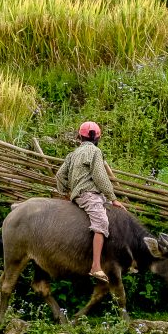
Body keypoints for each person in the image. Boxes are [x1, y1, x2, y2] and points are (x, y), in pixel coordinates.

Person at [55, 121, 126, 283]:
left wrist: (65, 192)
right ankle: (95, 266)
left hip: (79, 195)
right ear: (98, 138)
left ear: (80, 137)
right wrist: (113, 198)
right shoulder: (95, 152)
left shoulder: (72, 154)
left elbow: (59, 175)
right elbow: (100, 177)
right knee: (101, 223)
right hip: (90, 196)